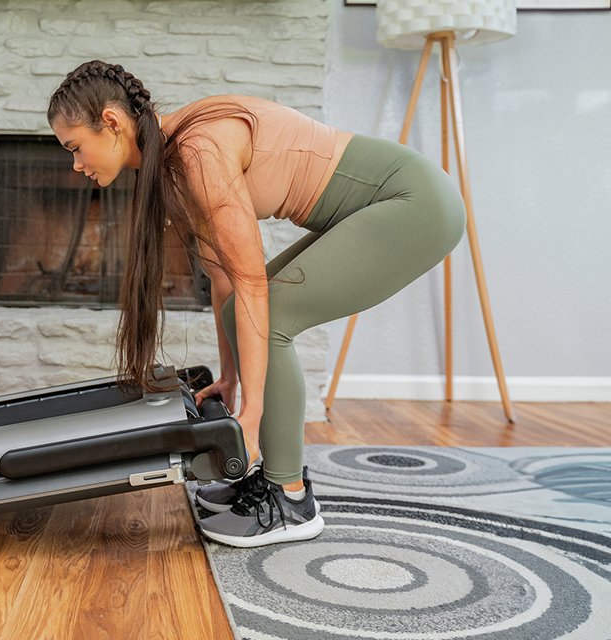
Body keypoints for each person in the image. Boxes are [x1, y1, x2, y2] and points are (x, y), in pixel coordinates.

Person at [46, 60, 465, 548]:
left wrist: (250, 415)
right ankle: (273, 481)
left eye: (75, 147)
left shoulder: (198, 153)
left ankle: (289, 497)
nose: (75, 164)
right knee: (252, 309)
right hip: (387, 204)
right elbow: (224, 280)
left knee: (274, 316)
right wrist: (231, 380)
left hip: (413, 203)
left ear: (113, 123)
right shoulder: (170, 166)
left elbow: (251, 286)